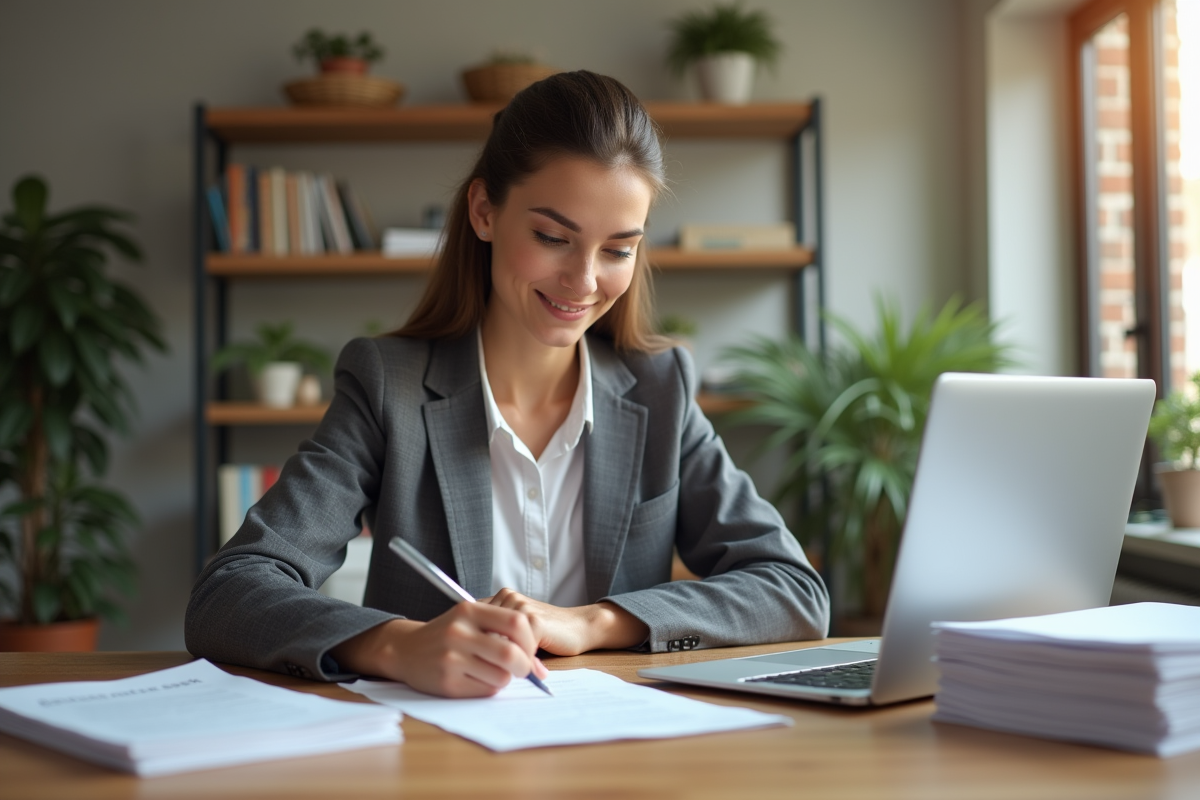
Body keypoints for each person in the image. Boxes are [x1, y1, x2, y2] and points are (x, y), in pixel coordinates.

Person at [185, 71, 829, 698]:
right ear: (484, 211)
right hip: (436, 753)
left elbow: (792, 590)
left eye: (617, 250)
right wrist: (397, 645)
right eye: (552, 237)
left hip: (618, 756)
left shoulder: (660, 389)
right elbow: (230, 592)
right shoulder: (389, 387)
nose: (583, 280)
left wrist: (593, 622)